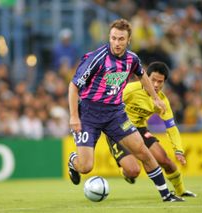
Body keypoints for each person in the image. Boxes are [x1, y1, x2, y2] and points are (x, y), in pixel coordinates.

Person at [68, 19, 184, 202]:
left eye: (121, 39)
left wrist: (154, 98)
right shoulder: (97, 58)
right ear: (109, 37)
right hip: (89, 114)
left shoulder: (132, 59)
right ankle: (73, 160)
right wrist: (74, 116)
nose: (117, 42)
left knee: (143, 152)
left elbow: (143, 75)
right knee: (85, 167)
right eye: (113, 38)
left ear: (128, 40)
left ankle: (166, 195)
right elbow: (73, 86)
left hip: (115, 114)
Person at [106, 61, 196, 197]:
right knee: (133, 171)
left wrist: (178, 150)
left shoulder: (162, 101)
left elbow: (171, 127)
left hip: (140, 130)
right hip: (118, 130)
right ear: (145, 77)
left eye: (160, 82)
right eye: (153, 80)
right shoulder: (130, 90)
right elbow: (108, 103)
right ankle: (123, 169)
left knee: (165, 160)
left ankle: (181, 191)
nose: (155, 85)